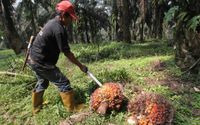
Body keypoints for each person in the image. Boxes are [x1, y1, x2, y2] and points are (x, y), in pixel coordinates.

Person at [28, 0, 88, 114]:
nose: (71, 21)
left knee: (43, 82)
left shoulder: (53, 23)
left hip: (33, 59)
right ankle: (71, 109)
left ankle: (36, 108)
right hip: (41, 62)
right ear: (63, 16)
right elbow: (67, 53)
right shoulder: (58, 30)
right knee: (64, 82)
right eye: (70, 18)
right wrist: (81, 66)